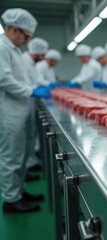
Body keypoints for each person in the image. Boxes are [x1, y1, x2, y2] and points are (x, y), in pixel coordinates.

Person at [0, 8, 51, 213]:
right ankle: (11, 199)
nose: (28, 41)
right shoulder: (2, 47)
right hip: (9, 112)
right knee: (11, 156)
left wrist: (32, 89)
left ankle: (19, 191)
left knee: (21, 154)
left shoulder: (13, 49)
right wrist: (31, 91)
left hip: (20, 109)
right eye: (27, 36)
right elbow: (4, 80)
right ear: (14, 30)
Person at [21, 37, 49, 175]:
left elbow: (35, 80)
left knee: (29, 136)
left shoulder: (31, 62)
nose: (44, 58)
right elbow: (21, 83)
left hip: (27, 103)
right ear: (36, 51)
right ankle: (13, 195)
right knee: (18, 145)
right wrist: (33, 90)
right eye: (42, 55)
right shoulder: (23, 61)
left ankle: (28, 167)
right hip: (17, 107)